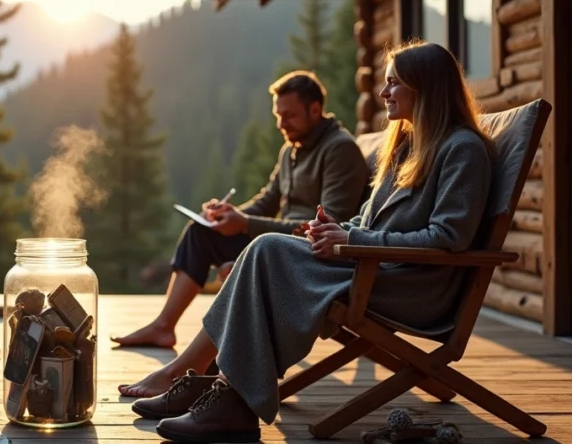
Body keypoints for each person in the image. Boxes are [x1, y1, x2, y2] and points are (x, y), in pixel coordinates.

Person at [119, 40, 497, 443]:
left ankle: (218, 392)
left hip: (410, 284)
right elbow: (367, 219)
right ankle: (218, 389)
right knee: (263, 251)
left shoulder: (462, 150)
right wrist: (334, 230)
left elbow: (448, 237)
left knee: (268, 250)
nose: (384, 92)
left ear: (425, 87)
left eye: (394, 83)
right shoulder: (408, 145)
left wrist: (352, 237)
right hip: (373, 265)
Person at [111, 71, 369, 349]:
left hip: (307, 254)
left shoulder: (339, 150)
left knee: (234, 259)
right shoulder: (291, 150)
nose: (281, 124)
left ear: (315, 110)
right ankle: (164, 326)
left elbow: (329, 226)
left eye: (289, 115)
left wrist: (245, 223)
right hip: (279, 243)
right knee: (202, 231)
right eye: (278, 115)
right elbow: (266, 201)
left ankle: (224, 355)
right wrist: (228, 215)